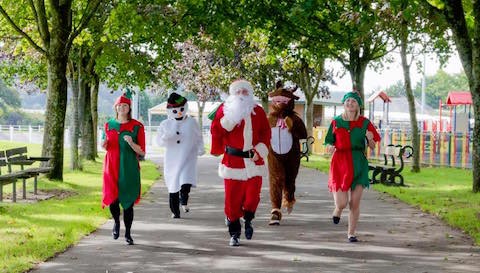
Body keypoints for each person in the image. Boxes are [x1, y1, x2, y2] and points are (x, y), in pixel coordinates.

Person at [210, 79, 271, 246]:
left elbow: (266, 134)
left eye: (245, 92)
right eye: (238, 92)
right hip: (233, 162)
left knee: (252, 198)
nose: (242, 95)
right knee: (232, 201)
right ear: (233, 94)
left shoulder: (257, 111)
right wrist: (229, 119)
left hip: (253, 161)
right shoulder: (225, 110)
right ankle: (234, 232)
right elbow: (216, 130)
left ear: (250, 94)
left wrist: (260, 151)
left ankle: (249, 219)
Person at [324, 91, 380, 243]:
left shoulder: (365, 122)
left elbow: (373, 146)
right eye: (348, 101)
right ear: (344, 103)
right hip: (340, 162)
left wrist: (370, 140)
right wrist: (329, 146)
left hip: (358, 162)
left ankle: (351, 233)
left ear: (358, 106)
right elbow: (329, 140)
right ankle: (337, 210)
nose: (350, 104)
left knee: (355, 202)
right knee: (342, 203)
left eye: (353, 102)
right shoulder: (336, 122)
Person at [102, 90, 146, 245]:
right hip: (111, 165)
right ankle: (116, 222)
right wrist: (103, 144)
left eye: (125, 105)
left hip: (129, 166)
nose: (122, 108)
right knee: (112, 198)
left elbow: (142, 151)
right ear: (115, 107)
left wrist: (131, 143)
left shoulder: (137, 126)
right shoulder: (108, 125)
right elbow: (105, 144)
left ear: (129, 108)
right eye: (119, 105)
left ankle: (128, 232)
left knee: (128, 201)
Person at [157, 92, 204, 218]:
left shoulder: (191, 122)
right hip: (172, 159)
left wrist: (201, 148)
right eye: (175, 110)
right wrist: (166, 137)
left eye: (181, 109)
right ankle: (175, 211)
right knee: (173, 184)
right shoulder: (165, 124)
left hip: (188, 157)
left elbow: (198, 137)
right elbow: (159, 142)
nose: (179, 112)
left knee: (185, 182)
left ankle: (184, 201)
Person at [267, 81, 307, 225]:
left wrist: (292, 126)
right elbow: (262, 135)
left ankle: (289, 197)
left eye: (283, 101)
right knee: (276, 179)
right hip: (274, 155)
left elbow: (303, 134)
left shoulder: (295, 118)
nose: (279, 104)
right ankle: (275, 210)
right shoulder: (269, 119)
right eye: (276, 101)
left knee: (290, 179)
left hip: (292, 155)